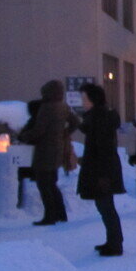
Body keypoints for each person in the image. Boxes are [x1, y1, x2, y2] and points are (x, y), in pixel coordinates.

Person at [19, 80, 80, 225]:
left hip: (44, 150)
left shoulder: (46, 108)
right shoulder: (63, 106)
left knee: (44, 184)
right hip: (57, 148)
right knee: (52, 183)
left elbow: (39, 130)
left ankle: (50, 215)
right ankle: (61, 213)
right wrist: (65, 133)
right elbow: (76, 122)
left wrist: (24, 137)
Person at [77, 83, 125, 257]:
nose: (82, 102)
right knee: (105, 206)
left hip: (102, 170)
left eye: (84, 98)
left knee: (106, 206)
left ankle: (115, 244)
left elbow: (103, 147)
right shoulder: (98, 116)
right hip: (102, 168)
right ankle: (112, 241)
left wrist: (103, 174)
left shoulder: (100, 118)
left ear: (93, 99)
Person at [17, 99, 41, 208]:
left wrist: (22, 138)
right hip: (35, 154)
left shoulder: (35, 122)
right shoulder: (38, 120)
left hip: (32, 155)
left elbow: (26, 134)